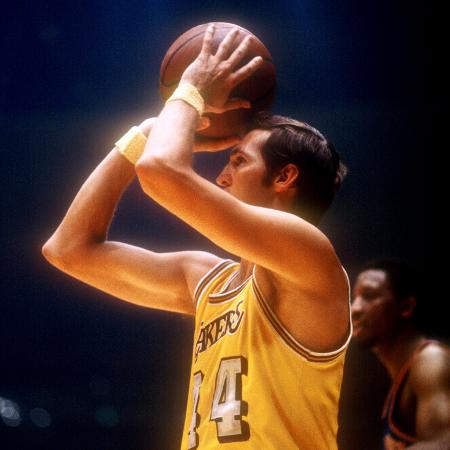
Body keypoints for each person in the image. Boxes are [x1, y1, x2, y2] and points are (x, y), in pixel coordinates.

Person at [43, 24, 351, 449]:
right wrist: (146, 133)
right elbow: (68, 249)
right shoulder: (209, 280)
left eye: (238, 161)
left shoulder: (307, 253)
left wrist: (188, 93)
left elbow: (160, 172)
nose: (222, 176)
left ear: (284, 176)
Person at [351, 259, 450, 449]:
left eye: (369, 296)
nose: (355, 308)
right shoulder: (402, 374)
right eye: (355, 298)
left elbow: (445, 441)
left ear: (406, 307)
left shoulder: (431, 360)